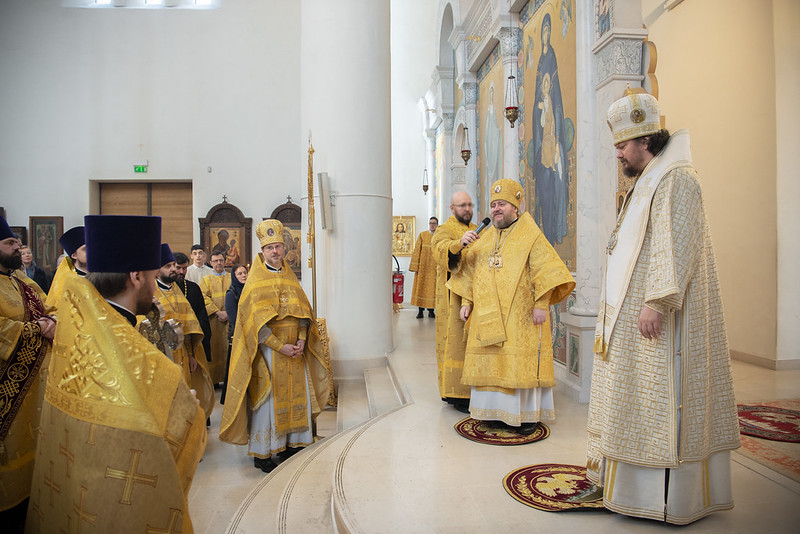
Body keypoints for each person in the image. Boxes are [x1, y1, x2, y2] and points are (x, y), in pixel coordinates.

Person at [573, 91, 740, 524]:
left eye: (622, 145)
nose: (617, 154)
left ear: (645, 140)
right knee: (634, 405)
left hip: (659, 322)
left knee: (660, 404)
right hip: (634, 325)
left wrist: (656, 300)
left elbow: (676, 242)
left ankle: (662, 498)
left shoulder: (676, 178)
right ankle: (626, 487)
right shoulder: (649, 179)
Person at [26, 215, 206, 533]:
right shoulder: (125, 348)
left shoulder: (81, 327)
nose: (155, 286)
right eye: (152, 276)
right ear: (137, 276)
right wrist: (184, 404)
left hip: (78, 489)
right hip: (120, 504)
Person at [447, 179, 574, 434]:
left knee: (517, 365)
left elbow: (547, 270)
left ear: (516, 206)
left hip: (521, 317)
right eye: (493, 205)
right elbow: (471, 270)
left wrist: (541, 304)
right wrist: (467, 302)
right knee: (492, 363)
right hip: (486, 317)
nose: (496, 209)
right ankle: (493, 413)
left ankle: (524, 417)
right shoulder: (485, 238)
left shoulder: (531, 235)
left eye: (502, 204)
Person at [220, 220, 330, 473]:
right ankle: (266, 452)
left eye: (279, 246)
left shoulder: (291, 278)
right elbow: (253, 323)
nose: (276, 252)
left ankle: (293, 444)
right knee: (269, 400)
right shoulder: (255, 281)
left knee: (296, 394)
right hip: (270, 351)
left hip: (296, 350)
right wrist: (280, 346)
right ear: (262, 251)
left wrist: (302, 338)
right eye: (270, 248)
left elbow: (303, 314)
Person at [0, 216, 54, 533]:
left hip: (35, 388)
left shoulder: (24, 280)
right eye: (10, 243)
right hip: (8, 388)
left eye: (18, 243)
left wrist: (54, 320)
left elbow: (51, 307)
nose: (18, 247)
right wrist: (37, 329)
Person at [154, 244, 214, 422]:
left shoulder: (177, 291)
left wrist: (191, 355)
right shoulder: (150, 293)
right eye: (168, 266)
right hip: (162, 357)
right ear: (157, 270)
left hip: (182, 355)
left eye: (174, 265)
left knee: (186, 393)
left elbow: (189, 328)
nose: (174, 269)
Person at [430, 192, 477, 413]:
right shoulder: (444, 229)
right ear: (452, 208)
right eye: (462, 205)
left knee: (471, 344)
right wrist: (458, 243)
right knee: (455, 343)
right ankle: (455, 394)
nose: (466, 209)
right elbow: (439, 249)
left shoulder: (478, 228)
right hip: (452, 299)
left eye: (469, 205)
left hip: (474, 296)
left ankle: (473, 390)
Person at [174, 251, 213, 365]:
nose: (181, 272)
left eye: (184, 268)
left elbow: (202, 316)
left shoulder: (193, 288)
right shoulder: (166, 290)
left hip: (193, 337)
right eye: (178, 268)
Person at [199, 251, 231, 385]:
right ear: (210, 263)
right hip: (214, 321)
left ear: (225, 261)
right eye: (215, 261)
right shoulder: (206, 280)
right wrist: (218, 312)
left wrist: (229, 313)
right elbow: (203, 298)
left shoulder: (231, 277)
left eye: (221, 260)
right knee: (215, 349)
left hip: (231, 320)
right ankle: (215, 380)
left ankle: (229, 379)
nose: (219, 263)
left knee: (230, 349)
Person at [221, 263, 248, 404]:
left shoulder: (250, 290)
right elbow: (233, 318)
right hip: (237, 336)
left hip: (250, 335)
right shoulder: (231, 293)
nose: (243, 275)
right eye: (240, 273)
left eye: (245, 273)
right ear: (234, 276)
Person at [45, 225, 87, 309]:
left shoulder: (104, 275)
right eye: (85, 249)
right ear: (74, 255)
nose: (92, 251)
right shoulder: (65, 281)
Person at [409, 216, 438, 319]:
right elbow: (417, 251)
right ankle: (420, 311)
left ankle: (431, 311)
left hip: (435, 268)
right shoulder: (423, 235)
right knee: (420, 288)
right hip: (423, 267)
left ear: (437, 224)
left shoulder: (440, 236)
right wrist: (415, 266)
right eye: (430, 223)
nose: (432, 225)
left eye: (434, 223)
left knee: (432, 290)